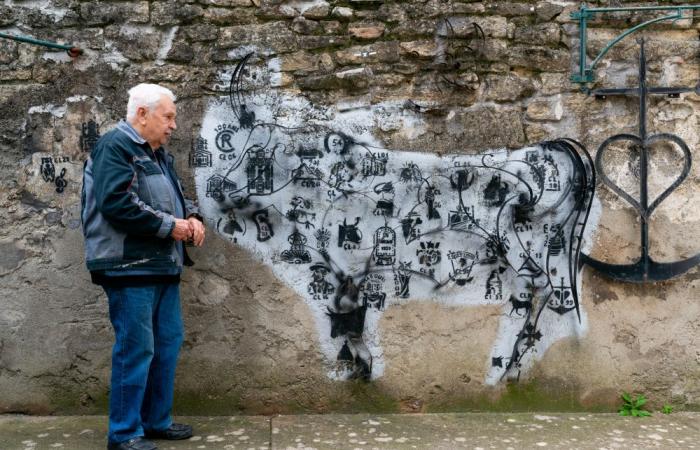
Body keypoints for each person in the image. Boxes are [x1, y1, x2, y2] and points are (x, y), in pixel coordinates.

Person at [81, 83, 205, 450]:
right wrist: (174, 226)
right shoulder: (115, 146)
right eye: (168, 117)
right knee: (136, 348)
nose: (173, 126)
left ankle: (155, 421)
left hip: (162, 264)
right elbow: (117, 202)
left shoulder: (158, 154)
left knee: (167, 344)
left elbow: (178, 194)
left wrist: (193, 216)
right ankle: (124, 433)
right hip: (128, 265)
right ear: (142, 114)